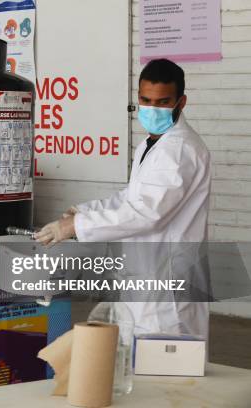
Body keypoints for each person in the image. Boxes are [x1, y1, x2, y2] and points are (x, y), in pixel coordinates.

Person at [35, 59, 211, 339]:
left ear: (181, 102)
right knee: (140, 360)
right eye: (145, 99)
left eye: (163, 102)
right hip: (147, 275)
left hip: (166, 285)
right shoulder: (152, 143)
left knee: (168, 366)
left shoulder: (178, 150)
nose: (152, 108)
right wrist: (82, 211)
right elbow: (131, 198)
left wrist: (76, 226)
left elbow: (146, 213)